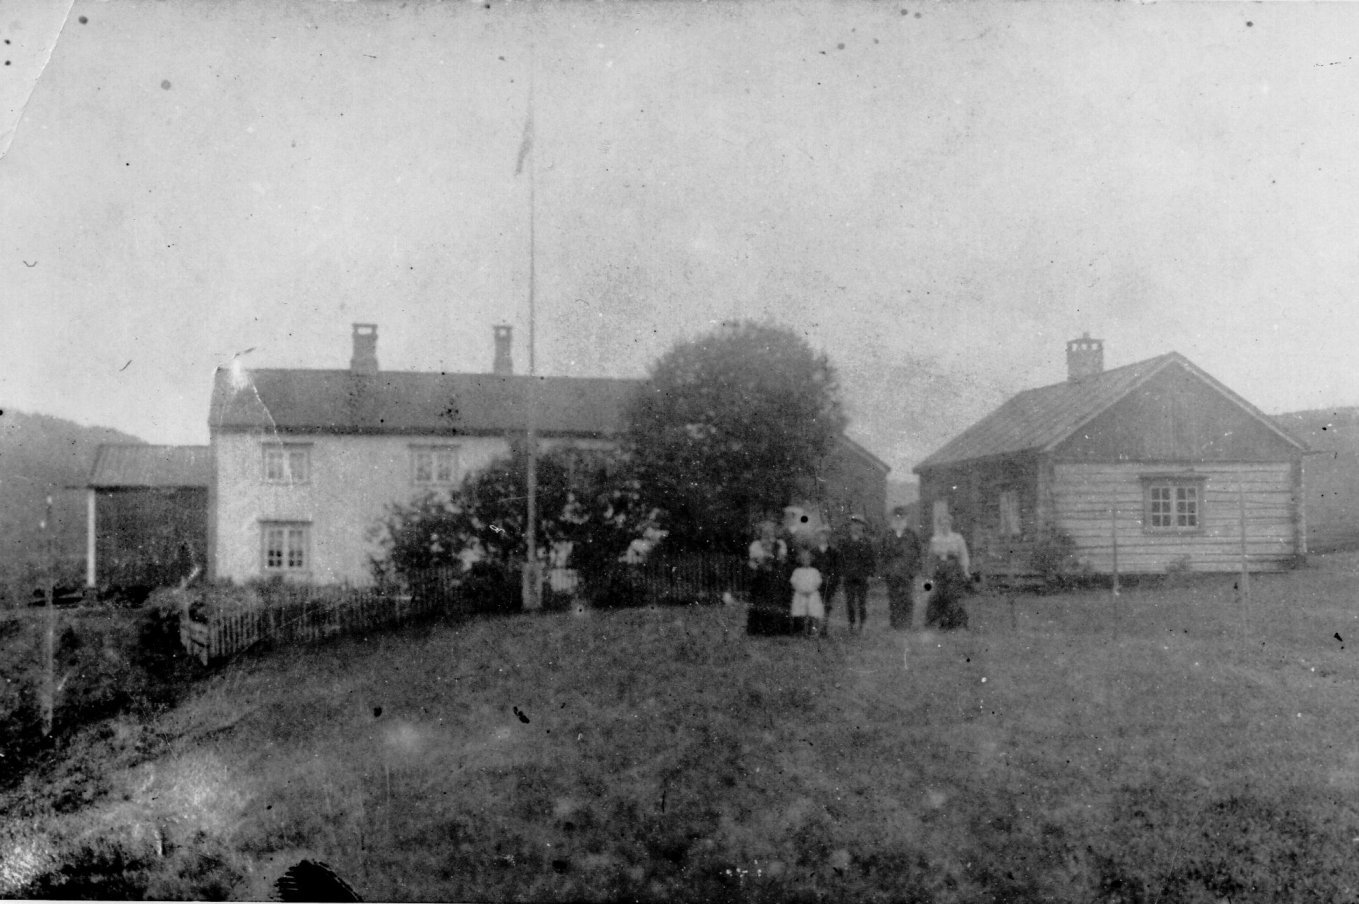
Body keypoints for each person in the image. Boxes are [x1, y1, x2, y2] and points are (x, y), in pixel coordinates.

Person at [925, 511, 972, 630]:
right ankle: (941, 623)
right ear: (939, 525)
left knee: (953, 595)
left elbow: (964, 555)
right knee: (939, 595)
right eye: (942, 524)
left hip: (953, 569)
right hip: (940, 570)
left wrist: (965, 570)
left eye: (947, 524)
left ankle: (955, 623)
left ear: (950, 524)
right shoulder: (935, 540)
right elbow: (931, 558)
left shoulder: (957, 538)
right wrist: (930, 573)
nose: (944, 526)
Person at [880, 505, 922, 630]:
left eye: (901, 517)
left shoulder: (912, 534)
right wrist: (885, 571)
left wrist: (914, 571)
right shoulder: (887, 535)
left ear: (905, 519)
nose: (899, 520)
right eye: (896, 517)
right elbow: (881, 554)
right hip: (892, 573)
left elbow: (919, 554)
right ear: (893, 519)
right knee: (893, 598)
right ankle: (895, 624)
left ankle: (907, 624)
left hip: (907, 573)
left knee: (907, 599)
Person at [746, 520, 791, 636]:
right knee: (759, 602)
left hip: (774, 577)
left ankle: (773, 629)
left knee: (774, 601)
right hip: (760, 577)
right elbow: (752, 562)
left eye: (770, 531)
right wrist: (759, 562)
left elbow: (783, 560)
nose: (768, 533)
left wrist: (775, 558)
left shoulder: (780, 544)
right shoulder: (756, 545)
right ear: (761, 532)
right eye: (765, 531)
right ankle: (757, 629)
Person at [839, 516, 876, 632]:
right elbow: (841, 559)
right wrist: (841, 574)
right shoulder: (845, 542)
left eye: (859, 525)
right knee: (850, 602)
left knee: (862, 602)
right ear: (850, 527)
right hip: (849, 576)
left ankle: (862, 624)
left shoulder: (866, 542)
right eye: (853, 524)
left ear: (862, 527)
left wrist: (870, 574)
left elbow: (871, 560)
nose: (856, 527)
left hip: (862, 576)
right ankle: (851, 623)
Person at [809, 526, 841, 634]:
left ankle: (824, 628)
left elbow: (837, 568)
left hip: (829, 582)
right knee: (815, 604)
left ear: (828, 536)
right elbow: (810, 567)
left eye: (825, 534)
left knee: (826, 605)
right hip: (816, 582)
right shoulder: (813, 551)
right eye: (820, 535)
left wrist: (832, 580)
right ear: (817, 536)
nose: (823, 537)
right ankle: (815, 627)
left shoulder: (834, 551)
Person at [789, 546, 824, 636]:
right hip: (800, 594)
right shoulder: (797, 571)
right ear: (801, 561)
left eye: (808, 560)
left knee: (813, 612)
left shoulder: (814, 571)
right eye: (804, 560)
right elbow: (794, 582)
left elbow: (818, 582)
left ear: (811, 561)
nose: (806, 562)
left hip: (812, 594)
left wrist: (810, 590)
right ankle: (800, 631)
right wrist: (801, 590)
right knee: (800, 612)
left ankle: (812, 631)